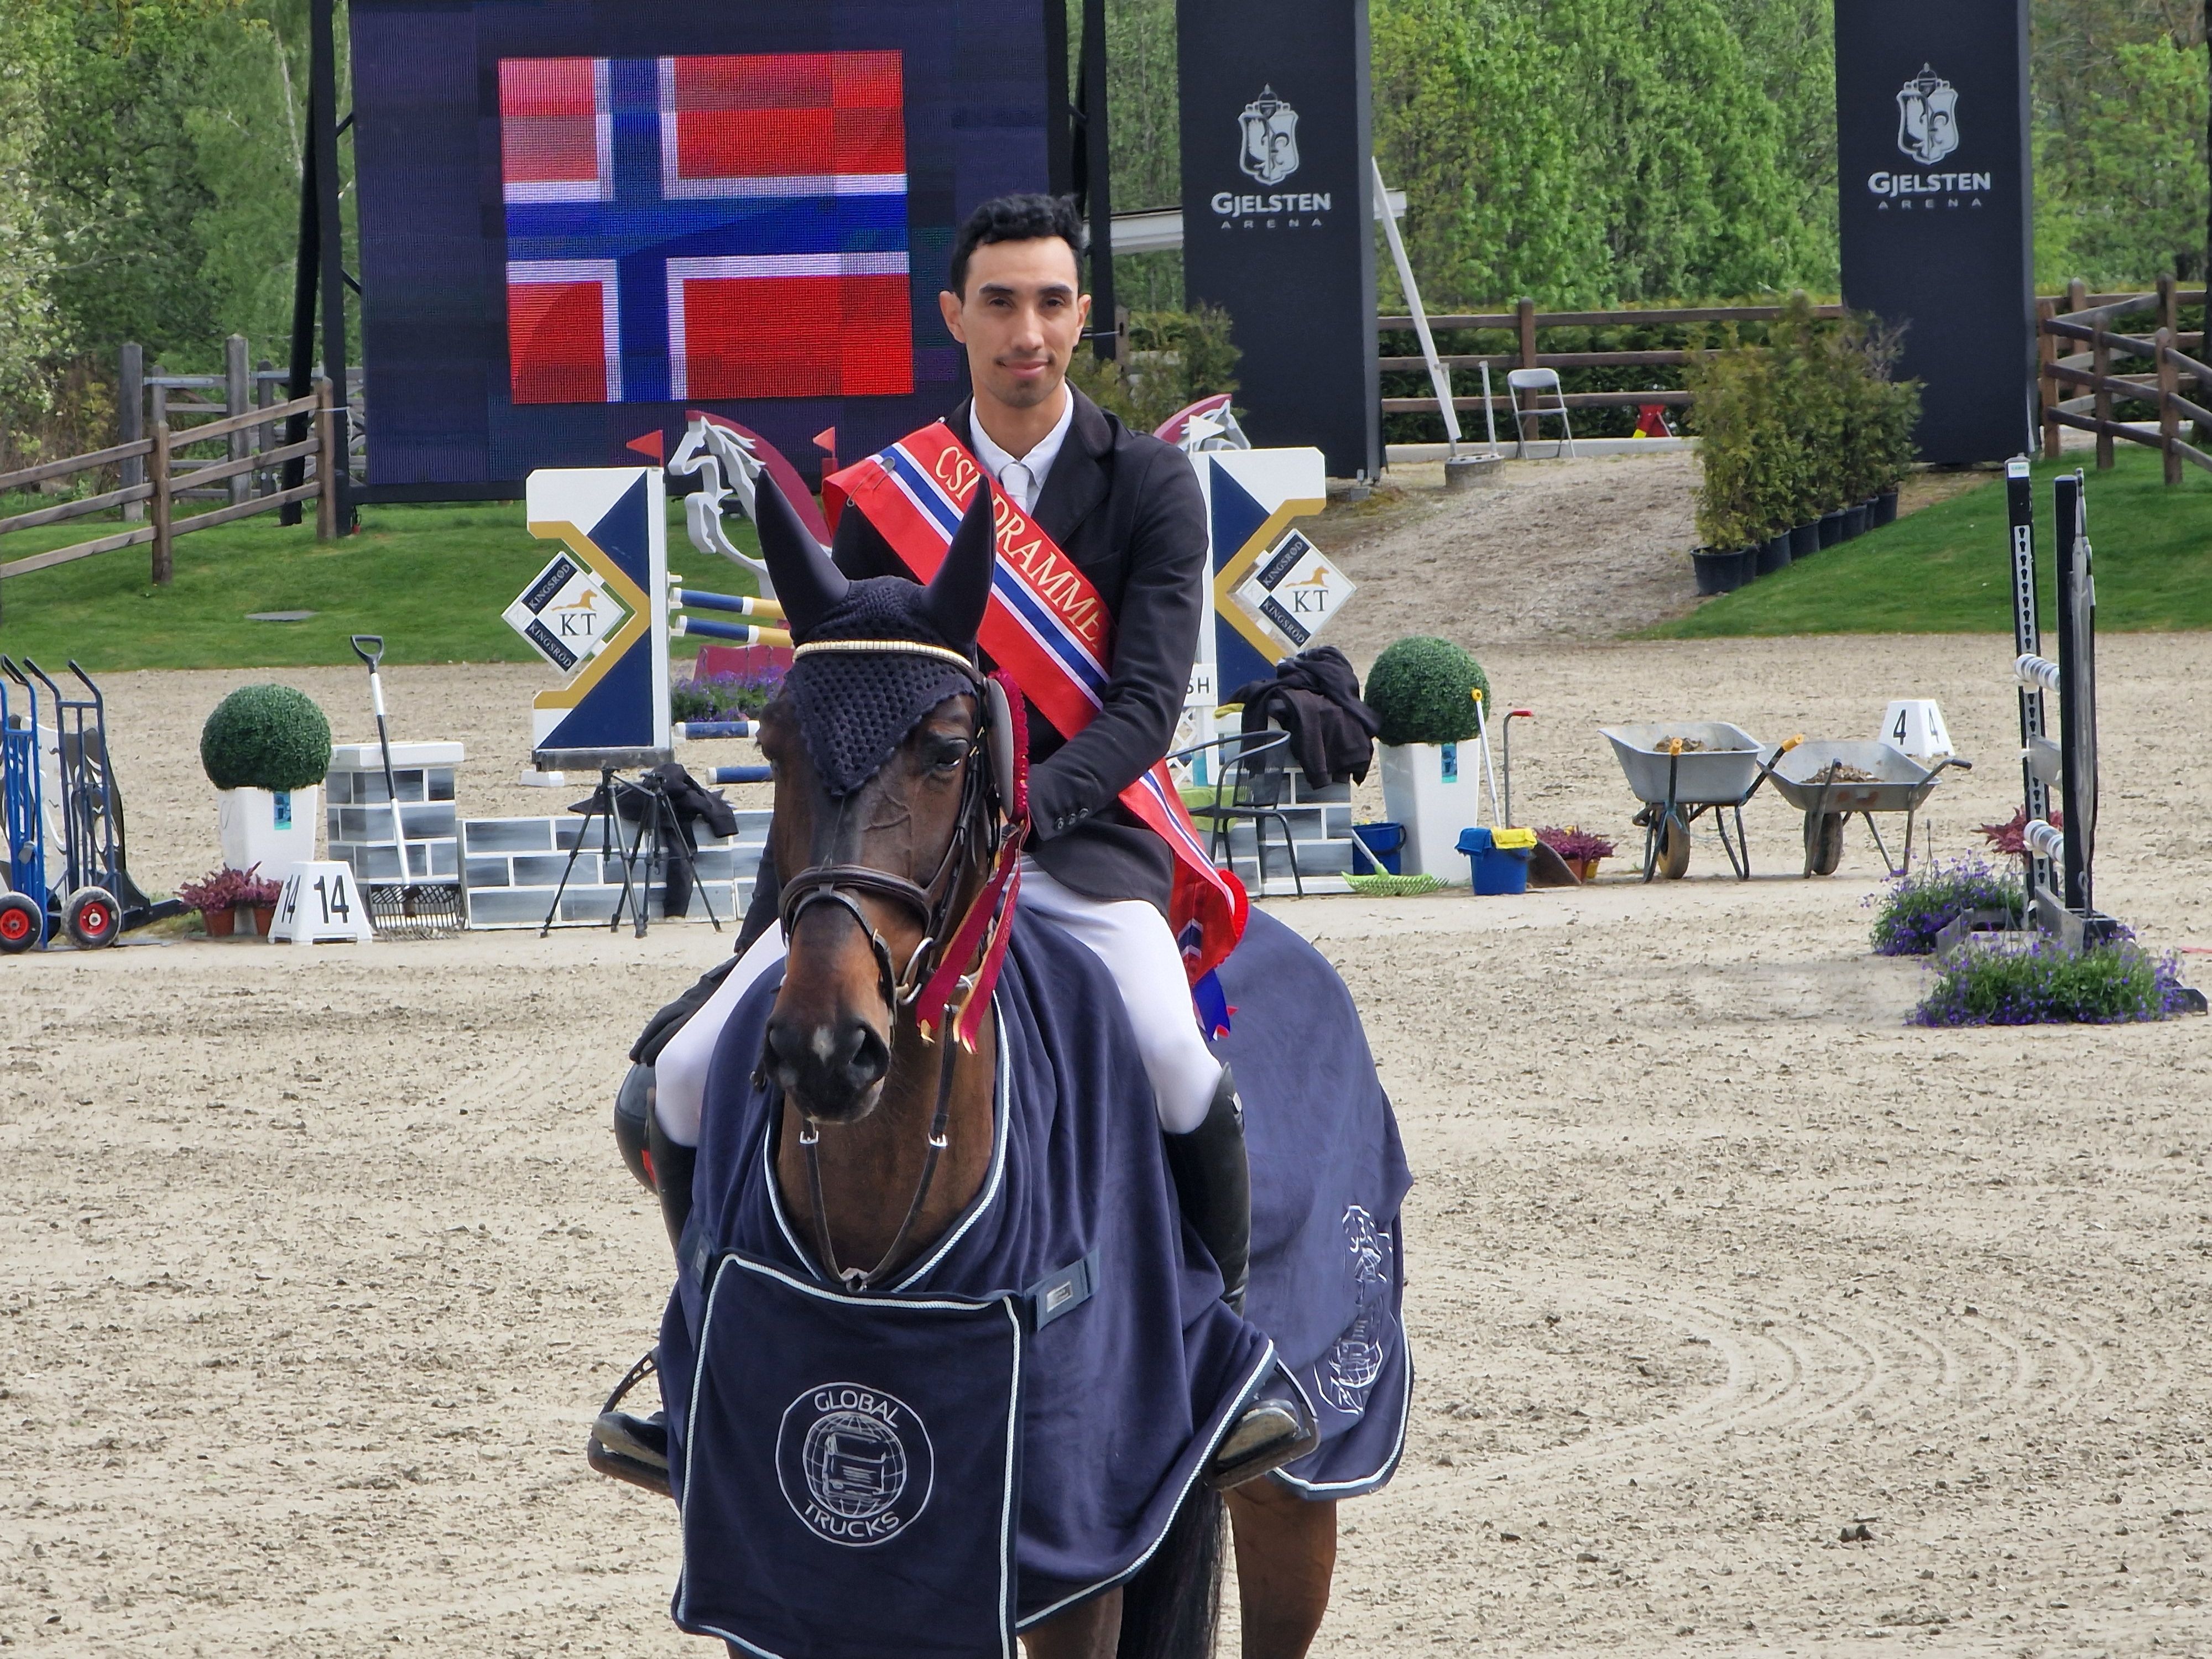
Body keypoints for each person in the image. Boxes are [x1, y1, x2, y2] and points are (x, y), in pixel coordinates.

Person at [597, 192, 1309, 1490]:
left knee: (1169, 1056)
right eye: (999, 302)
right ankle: (700, 1363)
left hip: (1074, 841)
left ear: (1080, 319)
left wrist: (1028, 810)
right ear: (955, 317)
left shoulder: (1147, 483)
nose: (1024, 329)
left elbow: (1145, 704)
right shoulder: (887, 495)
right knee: (691, 1076)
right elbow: (839, 710)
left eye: (1049, 303)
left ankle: (1217, 1355)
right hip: (895, 862)